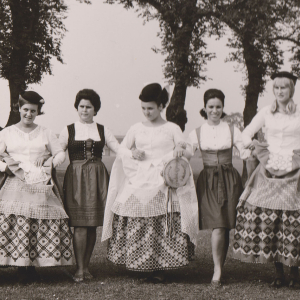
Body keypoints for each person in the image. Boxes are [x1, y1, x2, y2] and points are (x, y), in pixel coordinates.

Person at [101, 83, 198, 283]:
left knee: (161, 219)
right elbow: (121, 149)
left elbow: (186, 149)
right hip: (138, 177)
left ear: (161, 106)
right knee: (136, 215)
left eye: (151, 108)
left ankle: (161, 265)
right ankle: (138, 262)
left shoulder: (172, 128)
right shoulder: (136, 128)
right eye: (143, 108)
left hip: (162, 179)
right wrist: (132, 152)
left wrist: (181, 148)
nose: (147, 112)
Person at [233, 71, 300, 288]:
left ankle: (294, 272)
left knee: (293, 221)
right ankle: (278, 272)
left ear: (292, 89)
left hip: (295, 169)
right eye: (277, 88)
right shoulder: (266, 112)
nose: (280, 92)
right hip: (268, 170)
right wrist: (251, 144)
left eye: (285, 87)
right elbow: (246, 133)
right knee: (270, 218)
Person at [0, 91, 72, 283]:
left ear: (38, 111)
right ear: (19, 109)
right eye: (25, 110)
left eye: (33, 111)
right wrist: (5, 167)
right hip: (15, 182)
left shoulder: (46, 132)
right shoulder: (7, 133)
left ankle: (31, 266)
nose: (29, 114)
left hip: (39, 182)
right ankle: (17, 265)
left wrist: (49, 161)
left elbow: (60, 154)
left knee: (36, 223)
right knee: (16, 222)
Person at [186, 89, 250, 287]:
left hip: (230, 179)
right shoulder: (196, 132)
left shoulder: (232, 130)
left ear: (223, 108)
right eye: (211, 107)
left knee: (224, 225)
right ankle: (217, 271)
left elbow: (245, 151)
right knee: (218, 224)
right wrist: (180, 150)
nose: (214, 110)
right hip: (208, 181)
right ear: (204, 108)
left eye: (218, 107)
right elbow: (187, 152)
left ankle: (219, 268)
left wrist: (253, 150)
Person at [59, 89, 120, 283]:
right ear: (77, 108)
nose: (84, 110)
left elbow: (119, 149)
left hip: (97, 178)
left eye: (89, 107)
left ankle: (86, 265)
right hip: (76, 178)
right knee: (79, 225)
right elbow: (59, 151)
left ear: (95, 109)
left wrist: (135, 154)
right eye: (81, 106)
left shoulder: (103, 129)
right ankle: (79, 268)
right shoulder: (68, 129)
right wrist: (48, 161)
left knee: (92, 224)